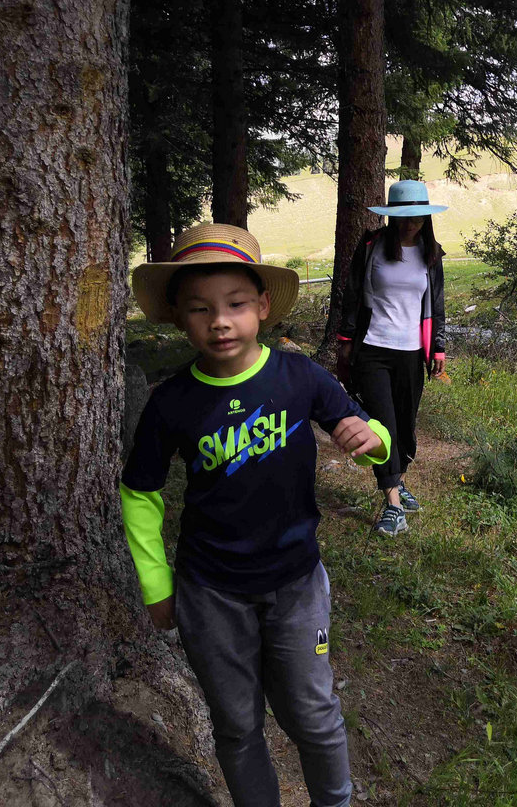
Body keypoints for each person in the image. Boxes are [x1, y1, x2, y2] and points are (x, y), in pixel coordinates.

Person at [120, 222, 391, 807]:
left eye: (236, 305)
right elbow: (140, 494)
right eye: (200, 309)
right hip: (210, 592)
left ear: (263, 307)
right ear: (177, 316)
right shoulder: (171, 402)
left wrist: (371, 437)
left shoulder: (300, 378)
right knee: (238, 725)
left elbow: (370, 429)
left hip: (296, 582)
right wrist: (154, 583)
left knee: (313, 716)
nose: (219, 321)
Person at [336, 179, 447, 537]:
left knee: (405, 426)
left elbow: (437, 306)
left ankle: (398, 480)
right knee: (382, 426)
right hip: (373, 349)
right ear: (391, 216)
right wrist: (346, 340)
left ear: (426, 218)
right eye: (402, 216)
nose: (409, 223)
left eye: (416, 217)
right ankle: (393, 504)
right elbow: (352, 294)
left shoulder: (432, 254)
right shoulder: (372, 247)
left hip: (412, 354)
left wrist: (438, 346)